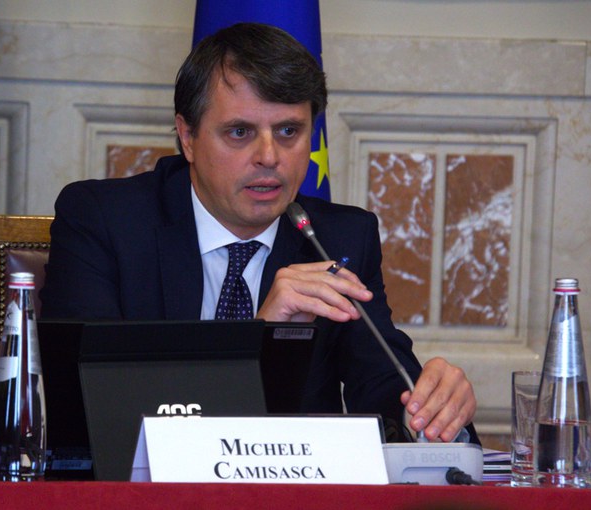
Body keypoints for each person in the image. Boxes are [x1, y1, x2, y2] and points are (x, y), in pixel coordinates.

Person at [40, 22, 477, 443]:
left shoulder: (338, 238)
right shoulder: (104, 221)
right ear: (188, 137)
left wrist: (433, 413)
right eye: (240, 132)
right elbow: (91, 407)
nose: (269, 156)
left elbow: (384, 384)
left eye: (289, 131)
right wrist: (259, 340)